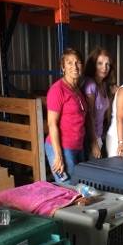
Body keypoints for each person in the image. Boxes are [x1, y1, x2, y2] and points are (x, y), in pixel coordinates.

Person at [44, 48, 95, 184]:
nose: (75, 66)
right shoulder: (57, 90)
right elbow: (52, 124)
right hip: (62, 147)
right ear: (63, 67)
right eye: (69, 63)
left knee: (80, 187)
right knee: (69, 189)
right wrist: (58, 155)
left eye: (78, 62)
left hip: (77, 146)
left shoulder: (77, 90)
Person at [82, 47, 115, 158]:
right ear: (93, 65)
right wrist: (94, 142)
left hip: (100, 135)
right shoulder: (90, 85)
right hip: (91, 138)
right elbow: (89, 115)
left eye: (107, 64)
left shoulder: (103, 84)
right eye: (100, 63)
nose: (104, 68)